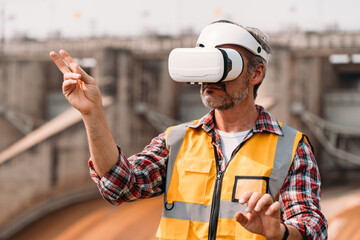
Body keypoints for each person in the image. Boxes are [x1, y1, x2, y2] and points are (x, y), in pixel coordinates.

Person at [50, 20, 327, 240]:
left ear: (256, 73)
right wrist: (92, 114)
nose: (211, 77)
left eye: (224, 64)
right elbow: (120, 186)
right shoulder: (178, 141)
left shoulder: (291, 147)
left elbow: (312, 227)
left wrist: (280, 233)